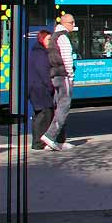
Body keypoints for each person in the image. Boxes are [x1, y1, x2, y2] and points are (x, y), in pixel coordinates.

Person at [39, 12, 77, 151]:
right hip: (64, 75)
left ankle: (54, 140)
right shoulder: (63, 38)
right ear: (66, 23)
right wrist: (71, 76)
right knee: (64, 106)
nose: (74, 25)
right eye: (72, 22)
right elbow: (67, 59)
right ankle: (50, 136)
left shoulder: (54, 37)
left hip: (55, 75)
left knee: (57, 105)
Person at [26, 28, 55, 150]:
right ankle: (39, 142)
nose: (50, 42)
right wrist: (50, 86)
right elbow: (44, 72)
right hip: (39, 88)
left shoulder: (37, 51)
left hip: (35, 87)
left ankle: (38, 141)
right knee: (44, 113)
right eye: (48, 39)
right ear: (42, 39)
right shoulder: (41, 54)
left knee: (40, 114)